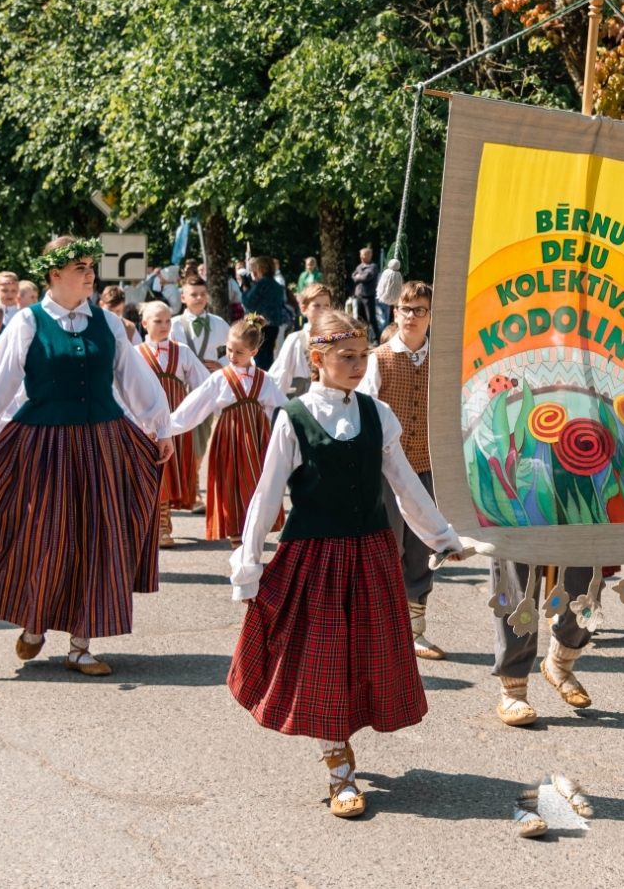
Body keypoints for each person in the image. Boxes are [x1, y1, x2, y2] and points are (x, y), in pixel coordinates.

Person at [225, 309, 468, 819]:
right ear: (317, 360)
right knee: (323, 657)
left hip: (371, 554)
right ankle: (338, 765)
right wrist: (247, 566)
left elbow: (405, 486)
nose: (358, 365)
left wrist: (443, 539)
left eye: (361, 356)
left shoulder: (377, 413)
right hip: (314, 558)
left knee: (367, 655)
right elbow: (266, 498)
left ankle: (344, 738)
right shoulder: (294, 417)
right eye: (346, 357)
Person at [0, 236, 174, 676]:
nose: (89, 273)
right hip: (43, 446)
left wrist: (159, 424)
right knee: (45, 537)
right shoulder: (27, 321)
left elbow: (133, 377)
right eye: (79, 267)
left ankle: (81, 643)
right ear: (54, 274)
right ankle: (34, 622)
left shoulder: (109, 323)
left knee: (98, 539)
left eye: (90, 266)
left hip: (103, 442)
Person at [357, 280, 442, 659]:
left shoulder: (442, 359)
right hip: (387, 470)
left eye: (419, 310)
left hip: (426, 466)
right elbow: (365, 412)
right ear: (395, 312)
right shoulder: (379, 358)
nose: (411, 316)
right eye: (405, 309)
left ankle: (415, 629)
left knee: (422, 548)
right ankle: (378, 628)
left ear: (430, 316)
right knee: (384, 544)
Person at [170, 315, 283, 545]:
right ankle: (237, 541)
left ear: (253, 351)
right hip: (229, 439)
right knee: (230, 487)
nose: (232, 356)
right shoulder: (220, 378)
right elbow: (195, 405)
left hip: (257, 440)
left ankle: (252, 536)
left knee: (257, 485)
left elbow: (281, 413)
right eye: (229, 350)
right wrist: (167, 426)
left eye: (239, 352)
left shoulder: (266, 380)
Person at [136, 300, 210, 543]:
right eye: (158, 321)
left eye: (168, 320)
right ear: (145, 323)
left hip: (175, 418)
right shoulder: (135, 353)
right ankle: (159, 524)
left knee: (170, 468)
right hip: (146, 419)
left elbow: (204, 383)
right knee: (153, 468)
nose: (164, 325)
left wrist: (194, 410)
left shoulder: (183, 351)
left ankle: (164, 523)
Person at [270, 283, 333, 396]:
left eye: (326, 306)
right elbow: (280, 376)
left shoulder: (338, 338)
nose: (322, 310)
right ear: (304, 309)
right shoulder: (296, 340)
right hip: (306, 400)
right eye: (317, 306)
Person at [239, 256, 286, 370]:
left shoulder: (262, 283)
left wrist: (246, 290)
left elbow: (248, 303)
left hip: (260, 325)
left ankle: (260, 385)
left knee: (259, 359)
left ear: (260, 268)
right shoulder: (276, 284)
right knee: (268, 358)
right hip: (274, 325)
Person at [174, 275, 229, 371]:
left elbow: (241, 346)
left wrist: (223, 363)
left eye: (203, 294)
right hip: (183, 380)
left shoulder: (217, 322)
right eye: (194, 294)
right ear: (183, 298)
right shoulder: (173, 324)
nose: (199, 297)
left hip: (210, 379)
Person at [351, 247, 380, 335]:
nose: (361, 257)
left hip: (368, 295)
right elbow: (353, 275)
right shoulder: (359, 266)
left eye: (364, 255)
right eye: (361, 255)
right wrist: (358, 276)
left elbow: (366, 277)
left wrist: (358, 276)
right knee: (360, 318)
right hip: (359, 295)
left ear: (369, 256)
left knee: (371, 318)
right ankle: (362, 337)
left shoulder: (373, 267)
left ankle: (375, 339)